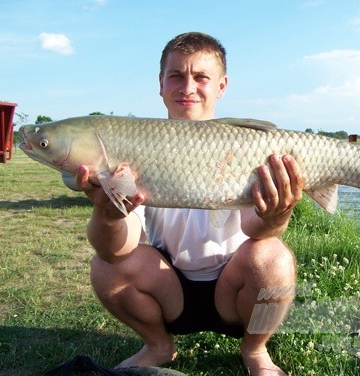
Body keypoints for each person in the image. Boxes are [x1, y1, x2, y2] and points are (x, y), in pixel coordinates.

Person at [76, 32, 304, 376]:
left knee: (273, 256)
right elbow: (117, 247)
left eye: (201, 77)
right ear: (161, 83)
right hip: (170, 287)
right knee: (105, 266)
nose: (187, 87)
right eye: (176, 75)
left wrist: (277, 215)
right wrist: (108, 215)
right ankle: (158, 345)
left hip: (235, 287)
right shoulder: (135, 145)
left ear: (222, 86)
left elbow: (255, 229)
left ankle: (256, 351)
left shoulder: (244, 146)